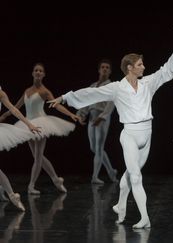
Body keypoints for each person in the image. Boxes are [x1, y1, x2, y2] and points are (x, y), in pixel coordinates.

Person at [48, 26, 173, 228]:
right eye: (140, 64)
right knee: (136, 176)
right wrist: (65, 97)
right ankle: (145, 218)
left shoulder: (148, 83)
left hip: (147, 134)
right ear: (130, 67)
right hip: (129, 135)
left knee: (130, 175)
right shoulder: (116, 88)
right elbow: (90, 94)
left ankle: (120, 205)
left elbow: (167, 70)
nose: (144, 67)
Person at [0, 63, 81, 195]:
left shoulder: (44, 91)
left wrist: (70, 114)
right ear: (32, 73)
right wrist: (4, 115)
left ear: (43, 74)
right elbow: (15, 106)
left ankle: (31, 185)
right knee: (37, 156)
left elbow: (56, 104)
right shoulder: (27, 91)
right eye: (36, 70)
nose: (38, 72)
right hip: (28, 123)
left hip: (41, 123)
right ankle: (56, 179)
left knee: (38, 157)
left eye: (40, 71)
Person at [76, 59, 118, 184]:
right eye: (103, 67)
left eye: (107, 67)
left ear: (110, 71)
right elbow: (87, 101)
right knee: (93, 148)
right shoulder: (93, 86)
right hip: (92, 117)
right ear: (99, 70)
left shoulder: (112, 86)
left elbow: (111, 103)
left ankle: (95, 177)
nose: (104, 69)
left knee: (99, 147)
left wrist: (103, 116)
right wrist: (81, 114)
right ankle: (111, 171)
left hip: (102, 117)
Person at [0, 85, 41, 211]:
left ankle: (11, 194)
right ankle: (8, 193)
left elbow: (13, 109)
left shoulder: (1, 93)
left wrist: (28, 124)